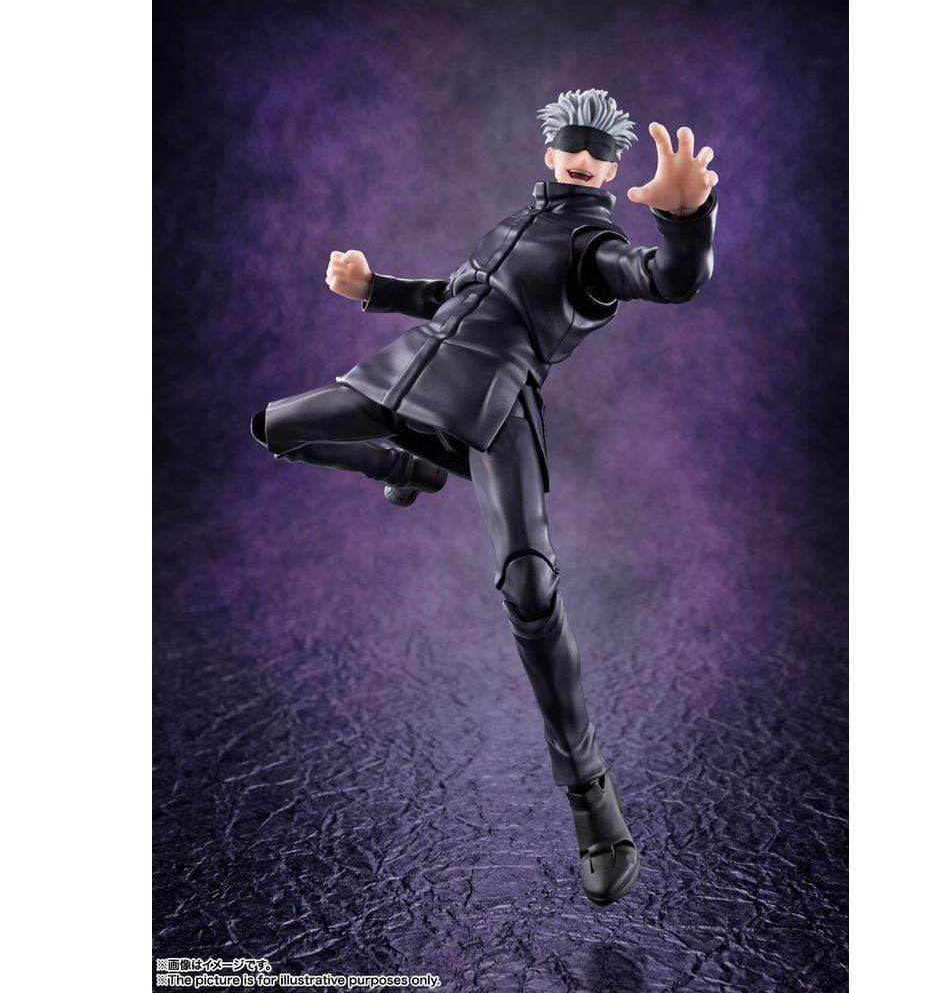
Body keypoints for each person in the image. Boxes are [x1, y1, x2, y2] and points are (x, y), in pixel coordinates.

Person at [251, 89, 718, 905]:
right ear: (550, 152)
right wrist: (374, 287)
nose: (585, 159)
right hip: (415, 368)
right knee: (277, 425)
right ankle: (411, 465)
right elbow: (457, 295)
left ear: (612, 170)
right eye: (573, 145)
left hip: (499, 401)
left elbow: (664, 279)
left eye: (600, 153)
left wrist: (686, 222)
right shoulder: (510, 226)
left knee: (530, 587)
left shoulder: (596, 246)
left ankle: (593, 802)